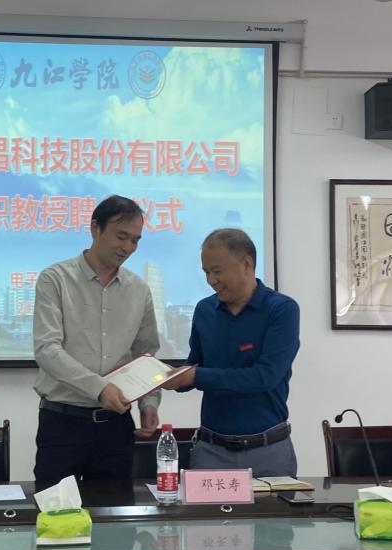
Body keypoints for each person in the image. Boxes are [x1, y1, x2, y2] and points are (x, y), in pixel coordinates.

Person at [32, 195, 161, 488]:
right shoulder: (55, 279)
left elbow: (145, 353)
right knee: (55, 512)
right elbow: (47, 349)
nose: (128, 247)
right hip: (62, 423)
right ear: (94, 228)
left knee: (114, 513)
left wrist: (149, 403)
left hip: (116, 426)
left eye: (135, 240)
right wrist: (99, 388)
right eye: (121, 237)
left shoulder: (139, 290)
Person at [162, 228, 301, 476]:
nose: (211, 280)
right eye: (206, 272)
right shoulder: (205, 310)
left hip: (268, 450)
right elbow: (195, 365)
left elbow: (265, 376)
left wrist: (195, 376)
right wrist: (168, 377)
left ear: (246, 264)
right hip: (211, 451)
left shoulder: (281, 310)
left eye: (217, 271)